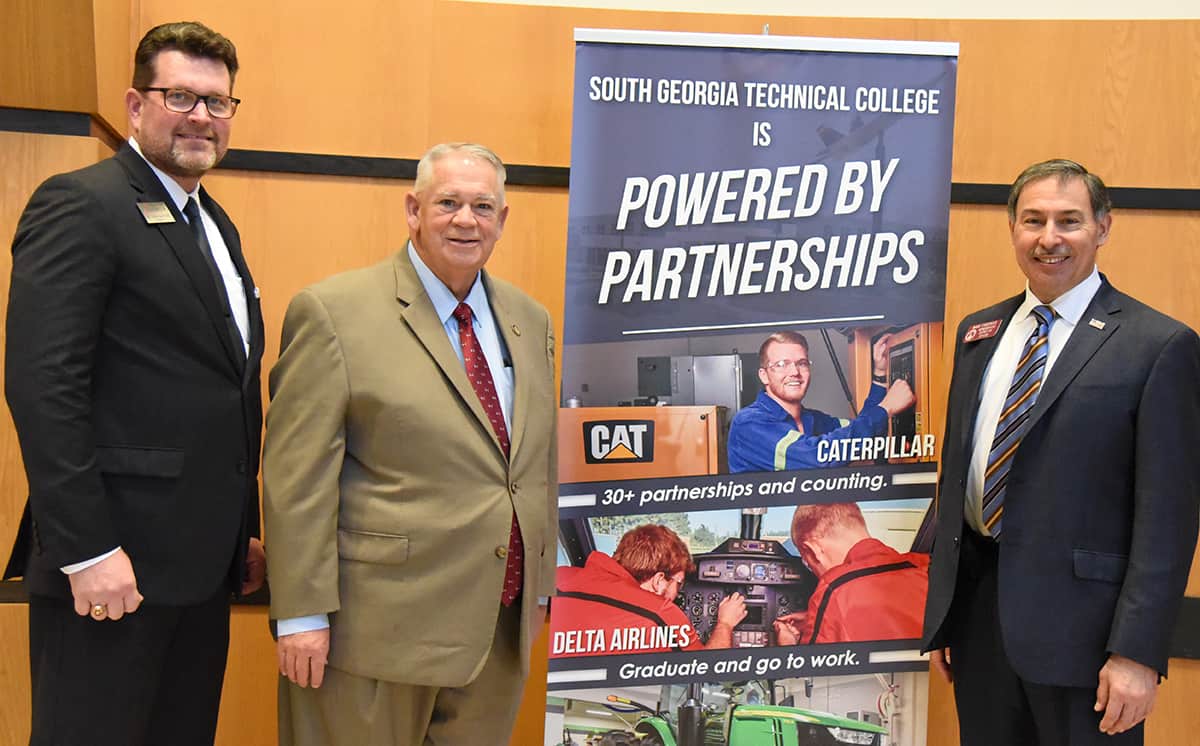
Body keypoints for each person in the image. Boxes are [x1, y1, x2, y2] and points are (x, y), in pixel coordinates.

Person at [2, 21, 264, 745]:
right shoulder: (82, 203)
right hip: (109, 571)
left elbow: (225, 388)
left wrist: (245, 530)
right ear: (135, 104)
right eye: (180, 95)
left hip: (199, 573)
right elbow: (42, 383)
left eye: (217, 102)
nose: (201, 117)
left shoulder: (214, 222)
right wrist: (87, 550)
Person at [263, 142, 558, 745]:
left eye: (483, 206)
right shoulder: (334, 312)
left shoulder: (531, 321)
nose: (465, 220)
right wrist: (299, 614)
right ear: (412, 209)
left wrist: (540, 592)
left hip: (496, 629)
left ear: (502, 220)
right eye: (447, 202)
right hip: (373, 635)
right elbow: (297, 477)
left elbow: (535, 464)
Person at [921, 159, 1200, 745]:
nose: (1049, 238)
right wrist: (945, 615)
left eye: (1069, 220)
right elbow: (959, 483)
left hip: (1089, 646)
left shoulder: (1159, 345)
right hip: (981, 627)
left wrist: (1137, 654)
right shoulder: (980, 334)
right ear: (1013, 229)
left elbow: (1167, 522)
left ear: (1103, 226)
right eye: (1034, 220)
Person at [728, 331, 915, 472]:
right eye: (782, 364)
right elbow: (817, 458)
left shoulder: (813, 420)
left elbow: (863, 432)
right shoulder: (749, 423)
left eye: (801, 363)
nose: (794, 372)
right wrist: (886, 408)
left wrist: (879, 376)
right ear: (764, 375)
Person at [551, 524, 746, 657]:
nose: (678, 594)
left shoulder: (558, 576)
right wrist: (725, 623)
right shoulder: (660, 613)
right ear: (659, 580)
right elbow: (706, 671)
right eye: (679, 584)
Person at [773, 503, 927, 645]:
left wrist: (788, 649)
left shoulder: (834, 590)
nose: (810, 567)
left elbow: (811, 673)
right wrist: (816, 619)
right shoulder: (928, 566)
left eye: (807, 562)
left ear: (813, 550)